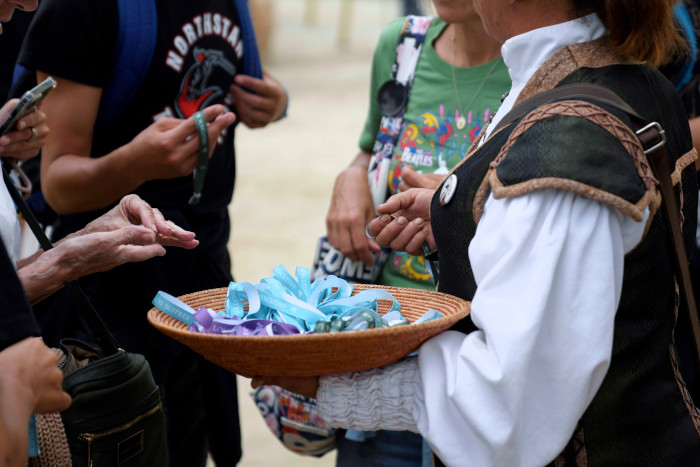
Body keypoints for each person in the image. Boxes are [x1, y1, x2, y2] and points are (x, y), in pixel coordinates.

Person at [255, 0, 700, 465]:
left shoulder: (566, 148)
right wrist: (462, 215)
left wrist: (336, 380)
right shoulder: (621, 78)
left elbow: (506, 410)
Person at [17, 0, 288, 465]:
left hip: (203, 288)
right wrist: (136, 165)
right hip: (108, 302)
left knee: (188, 444)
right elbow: (57, 184)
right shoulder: (81, 11)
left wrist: (272, 99)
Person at [324, 1, 508, 465]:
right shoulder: (402, 45)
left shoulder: (539, 68)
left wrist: (459, 206)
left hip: (479, 363)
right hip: (382, 348)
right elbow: (371, 152)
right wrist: (350, 177)